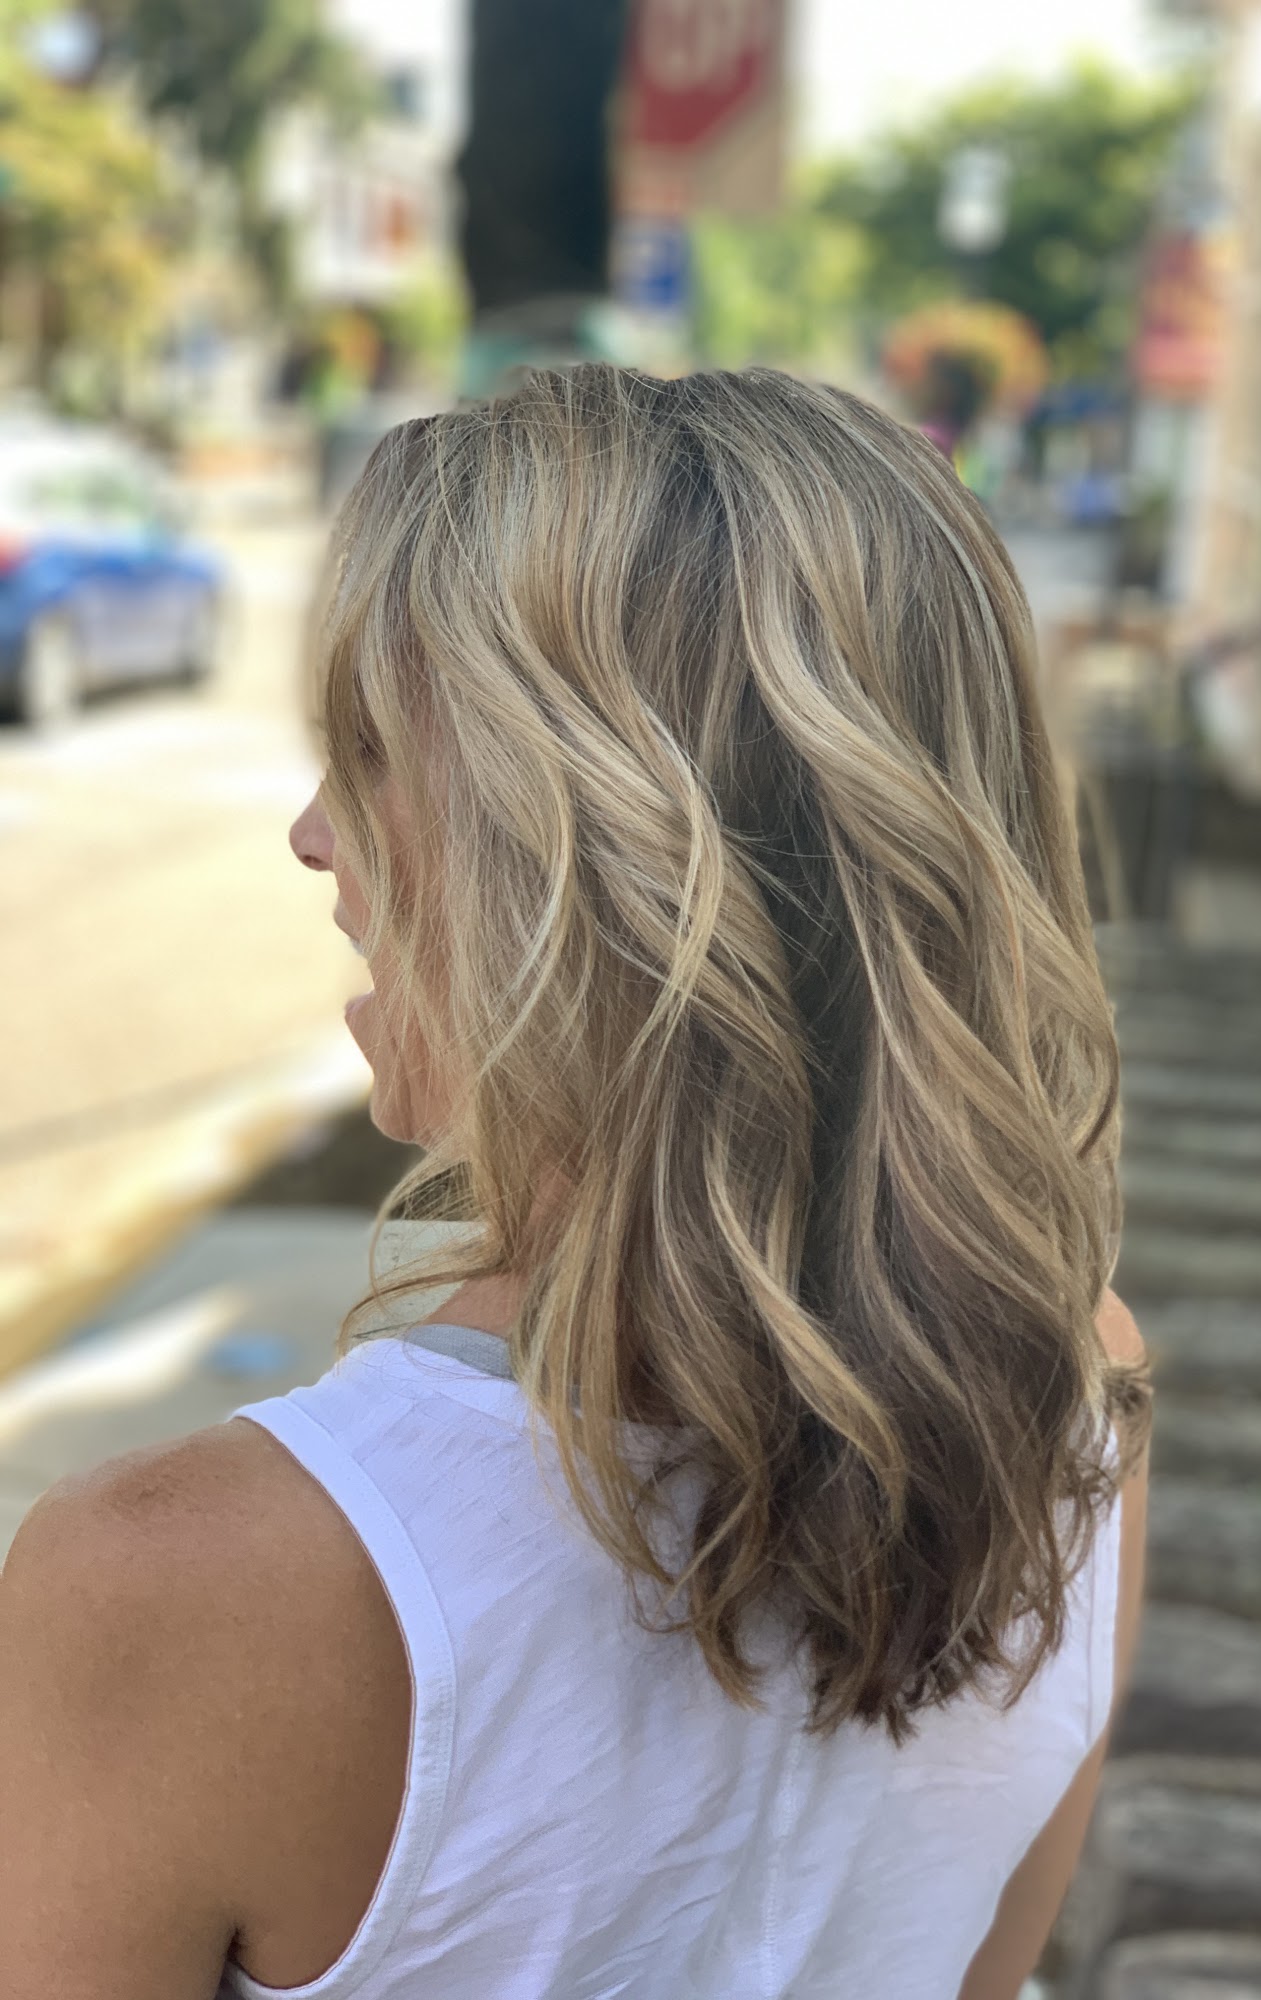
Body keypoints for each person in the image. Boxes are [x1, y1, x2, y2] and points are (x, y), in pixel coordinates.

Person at [0, 366, 1149, 2000]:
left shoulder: (178, 1588)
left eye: (374, 753)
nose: (315, 834)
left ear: (594, 863)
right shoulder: (1077, 1400)